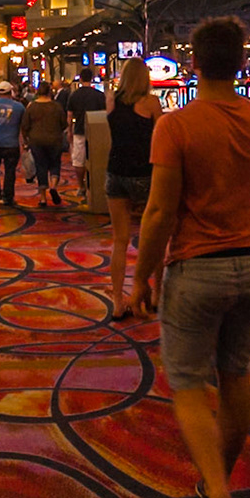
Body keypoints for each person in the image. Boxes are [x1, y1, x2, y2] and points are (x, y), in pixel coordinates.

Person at [131, 17, 250, 498]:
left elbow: (159, 211)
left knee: (189, 386)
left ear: (193, 63)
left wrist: (141, 277)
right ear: (242, 64)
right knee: (237, 377)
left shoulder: (175, 125)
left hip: (197, 268)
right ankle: (216, 482)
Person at [105, 57, 162, 320]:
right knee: (155, 237)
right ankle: (157, 294)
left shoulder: (111, 100)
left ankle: (118, 302)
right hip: (144, 174)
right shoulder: (152, 103)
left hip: (115, 172)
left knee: (120, 240)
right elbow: (161, 138)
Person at [21, 85, 68, 208]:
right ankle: (53, 186)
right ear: (49, 92)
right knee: (55, 164)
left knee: (40, 166)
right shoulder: (56, 106)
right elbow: (64, 124)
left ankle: (42, 198)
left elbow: (25, 126)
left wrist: (26, 140)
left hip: (36, 140)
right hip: (54, 140)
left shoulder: (31, 107)